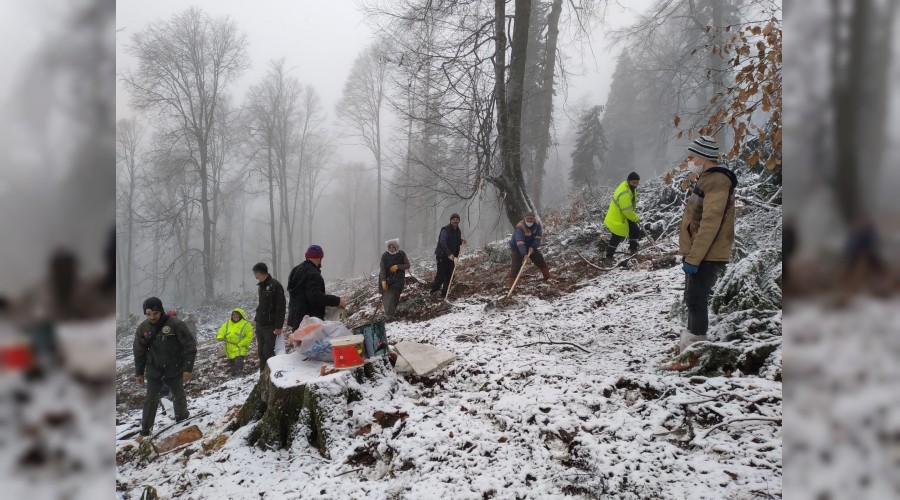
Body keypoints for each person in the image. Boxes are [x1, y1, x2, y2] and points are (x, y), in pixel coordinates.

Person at [676, 136, 737, 353]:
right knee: (692, 298)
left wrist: (694, 257)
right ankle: (690, 343)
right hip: (699, 252)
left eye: (692, 156)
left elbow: (711, 223)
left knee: (696, 299)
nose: (690, 160)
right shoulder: (708, 179)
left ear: (703, 156)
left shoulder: (718, 181)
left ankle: (697, 348)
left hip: (707, 254)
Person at [133, 297, 197, 436]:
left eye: (155, 313)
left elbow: (190, 346)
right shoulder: (143, 328)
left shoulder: (176, 324)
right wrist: (139, 373)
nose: (152, 317)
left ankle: (182, 420)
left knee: (178, 395)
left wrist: (188, 369)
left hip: (174, 367)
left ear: (161, 311)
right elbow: (139, 352)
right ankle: (146, 429)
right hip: (154, 370)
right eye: (148, 314)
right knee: (150, 399)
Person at [286, 245, 347, 330]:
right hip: (309, 323)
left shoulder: (296, 270)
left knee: (299, 343)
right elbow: (315, 297)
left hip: (296, 320)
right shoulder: (313, 274)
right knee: (311, 343)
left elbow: (298, 293)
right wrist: (337, 301)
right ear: (319, 258)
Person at [252, 262, 286, 373]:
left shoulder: (275, 285)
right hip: (260, 324)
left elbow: (281, 307)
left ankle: (271, 375)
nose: (255, 276)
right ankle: (262, 375)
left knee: (268, 352)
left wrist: (278, 326)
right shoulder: (261, 287)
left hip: (270, 326)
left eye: (255, 273)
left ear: (259, 273)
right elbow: (262, 305)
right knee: (261, 352)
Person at [602, 172, 643, 262]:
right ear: (628, 181)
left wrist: (632, 217)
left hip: (623, 215)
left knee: (635, 230)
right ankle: (608, 257)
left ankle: (633, 249)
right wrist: (635, 217)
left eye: (637, 183)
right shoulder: (624, 192)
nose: (635, 185)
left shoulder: (628, 188)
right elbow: (627, 210)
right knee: (616, 237)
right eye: (633, 183)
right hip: (617, 218)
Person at [508, 212, 553, 286]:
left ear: (534, 219)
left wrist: (532, 247)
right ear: (525, 219)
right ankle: (512, 285)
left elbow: (538, 237)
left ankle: (547, 277)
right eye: (528, 219)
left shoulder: (537, 224)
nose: (529, 220)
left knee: (539, 259)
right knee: (516, 265)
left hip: (530, 245)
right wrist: (524, 254)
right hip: (517, 247)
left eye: (531, 219)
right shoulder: (520, 227)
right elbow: (520, 241)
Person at [430, 213, 465, 297]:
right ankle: (434, 292)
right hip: (442, 256)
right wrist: (449, 254)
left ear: (459, 221)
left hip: (452, 258)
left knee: (450, 276)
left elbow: (454, 241)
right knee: (441, 276)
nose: (455, 221)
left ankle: (444, 294)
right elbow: (443, 243)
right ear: (450, 220)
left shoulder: (457, 230)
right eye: (454, 219)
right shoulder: (445, 230)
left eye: (457, 219)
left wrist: (461, 241)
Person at [379, 239, 411, 319]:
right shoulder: (384, 256)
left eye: (393, 247)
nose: (391, 249)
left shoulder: (401, 254)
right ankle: (389, 314)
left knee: (394, 296)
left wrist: (398, 266)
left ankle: (391, 314)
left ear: (396, 247)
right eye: (390, 247)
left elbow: (407, 265)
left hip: (398, 279)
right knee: (386, 296)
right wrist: (383, 281)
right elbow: (382, 269)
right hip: (386, 278)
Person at [216, 308, 254, 376]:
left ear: (241, 315)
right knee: (232, 365)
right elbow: (221, 331)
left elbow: (249, 337)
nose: (235, 316)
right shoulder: (227, 323)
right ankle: (235, 378)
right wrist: (219, 336)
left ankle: (239, 377)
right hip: (229, 349)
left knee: (238, 363)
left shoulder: (246, 324)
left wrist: (241, 344)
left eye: (237, 315)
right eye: (233, 315)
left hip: (240, 348)